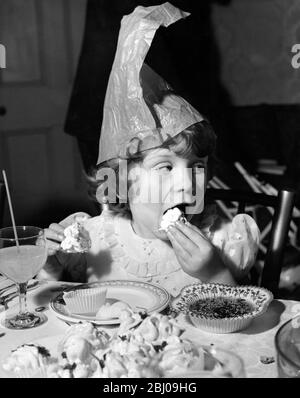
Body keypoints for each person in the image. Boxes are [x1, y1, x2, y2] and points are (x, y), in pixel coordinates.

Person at [40, 4, 259, 297]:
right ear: (120, 181)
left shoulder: (222, 241)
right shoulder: (93, 240)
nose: (187, 183)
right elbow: (51, 303)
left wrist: (214, 273)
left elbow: (244, 325)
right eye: (165, 167)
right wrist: (51, 266)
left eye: (197, 167)